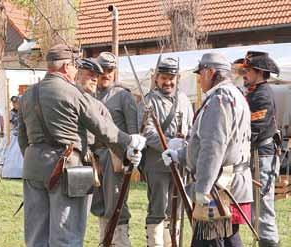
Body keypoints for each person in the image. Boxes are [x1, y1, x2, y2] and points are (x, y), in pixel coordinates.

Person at [18, 44, 146, 247]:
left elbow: (23, 139)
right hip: (68, 169)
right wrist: (128, 142)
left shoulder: (28, 95)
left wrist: (38, 158)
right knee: (66, 236)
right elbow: (102, 128)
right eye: (74, 65)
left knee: (36, 237)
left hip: (33, 167)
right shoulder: (73, 93)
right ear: (66, 66)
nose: (76, 70)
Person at [162, 53, 253, 247]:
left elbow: (213, 148)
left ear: (211, 72)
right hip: (226, 184)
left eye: (201, 74)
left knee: (209, 240)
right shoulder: (234, 95)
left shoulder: (219, 101)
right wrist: (179, 155)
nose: (199, 79)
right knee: (228, 239)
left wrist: (202, 189)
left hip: (219, 187)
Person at [137, 57, 193, 246]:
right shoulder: (149, 101)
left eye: (171, 77)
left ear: (177, 78)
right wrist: (171, 144)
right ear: (156, 79)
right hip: (158, 164)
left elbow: (192, 127)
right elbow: (148, 132)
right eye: (164, 78)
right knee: (158, 210)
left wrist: (185, 147)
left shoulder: (184, 99)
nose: (168, 82)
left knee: (176, 210)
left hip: (181, 164)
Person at [90, 51, 139, 246]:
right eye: (103, 70)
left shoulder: (123, 96)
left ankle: (120, 242)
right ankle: (105, 241)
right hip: (94, 157)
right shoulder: (90, 94)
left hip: (116, 157)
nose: (106, 74)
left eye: (110, 70)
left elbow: (134, 134)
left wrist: (130, 159)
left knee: (117, 205)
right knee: (100, 205)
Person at [234, 51, 280, 247]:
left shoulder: (262, 95)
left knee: (263, 209)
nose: (244, 74)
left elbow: (253, 132)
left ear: (259, 72)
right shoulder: (253, 92)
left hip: (262, 155)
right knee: (256, 209)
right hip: (256, 155)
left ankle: (269, 242)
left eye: (248, 70)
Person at [2, 96, 23, 178]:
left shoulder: (23, 112)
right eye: (13, 103)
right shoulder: (11, 113)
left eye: (16, 103)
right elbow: (10, 124)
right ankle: (11, 173)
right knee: (12, 152)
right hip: (14, 135)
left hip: (22, 135)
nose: (14, 105)